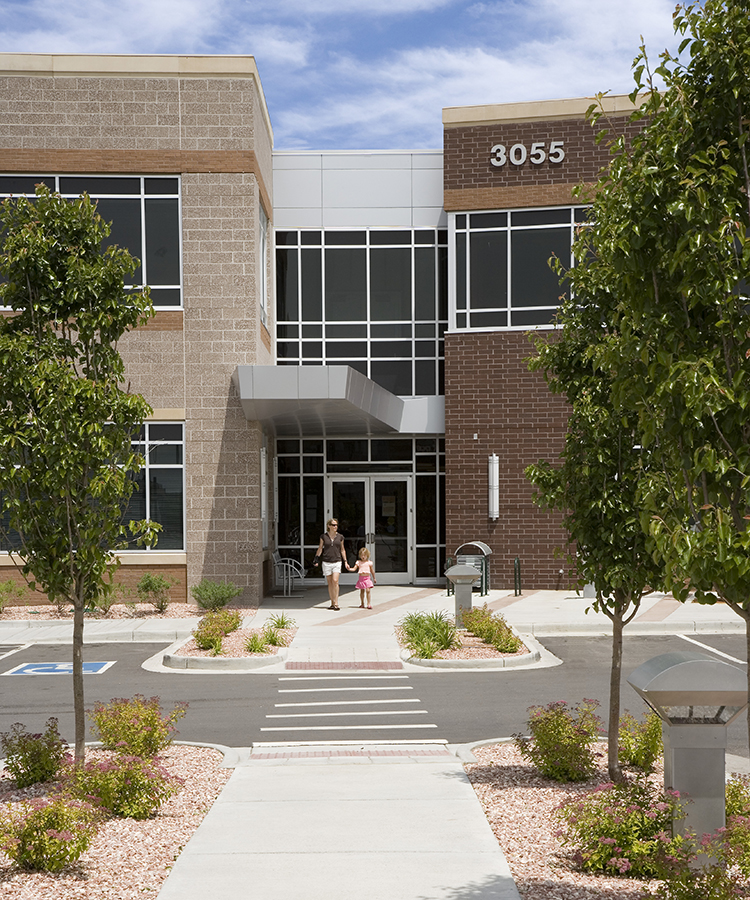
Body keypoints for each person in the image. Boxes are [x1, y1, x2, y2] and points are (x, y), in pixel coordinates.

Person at [313, 518, 348, 610]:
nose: (335, 526)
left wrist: (345, 561)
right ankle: (332, 602)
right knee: (330, 583)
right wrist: (316, 558)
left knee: (335, 581)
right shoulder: (323, 537)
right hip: (326, 561)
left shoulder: (340, 537)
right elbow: (320, 548)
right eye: (333, 525)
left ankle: (336, 603)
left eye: (336, 525)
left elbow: (342, 549)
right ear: (329, 526)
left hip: (337, 561)